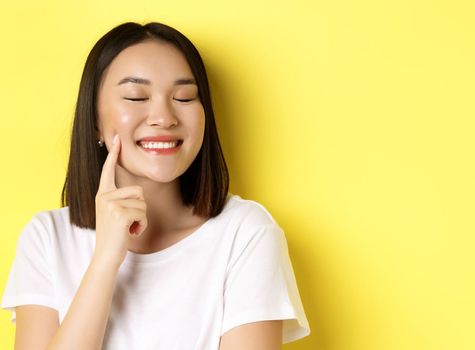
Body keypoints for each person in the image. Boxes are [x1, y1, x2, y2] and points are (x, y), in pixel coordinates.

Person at [1, 21, 310, 349]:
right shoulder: (47, 239)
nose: (164, 117)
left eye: (184, 96)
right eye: (136, 97)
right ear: (94, 121)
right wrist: (106, 260)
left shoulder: (245, 233)